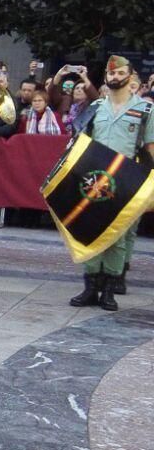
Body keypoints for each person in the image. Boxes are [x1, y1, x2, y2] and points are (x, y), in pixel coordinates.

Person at [67, 56, 153, 310]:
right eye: (111, 73)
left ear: (130, 76)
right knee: (90, 231)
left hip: (127, 181)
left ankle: (109, 289)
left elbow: (150, 148)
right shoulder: (95, 107)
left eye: (120, 73)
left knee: (118, 237)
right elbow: (80, 143)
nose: (115, 77)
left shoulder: (146, 110)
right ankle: (90, 287)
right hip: (95, 180)